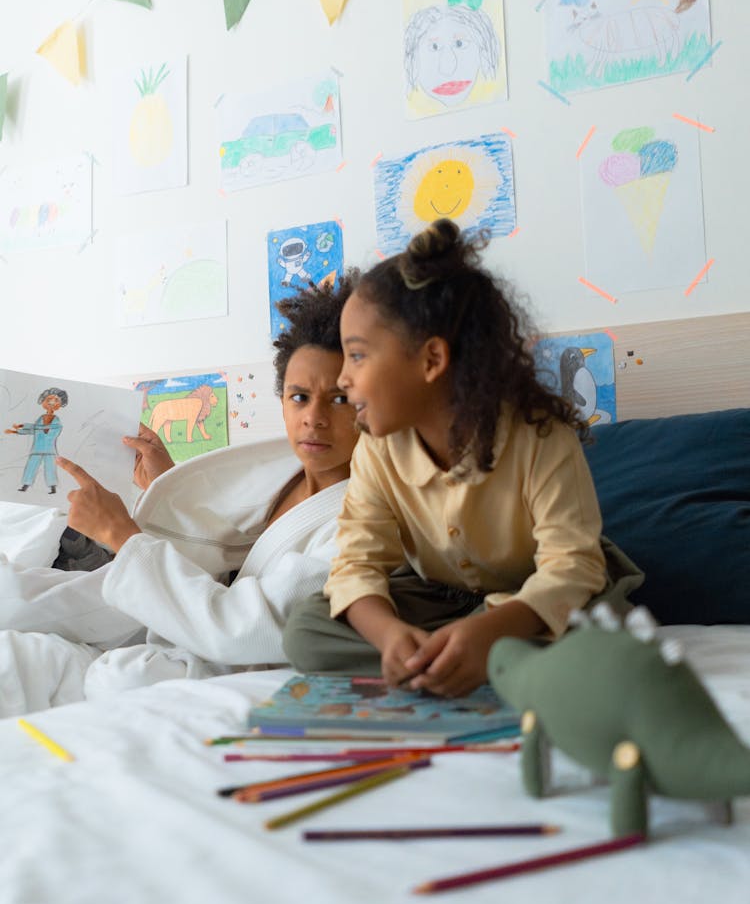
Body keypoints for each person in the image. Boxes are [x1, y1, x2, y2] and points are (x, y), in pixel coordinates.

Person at [283, 220, 642, 697]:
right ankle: (455, 659)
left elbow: (571, 567)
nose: (344, 380)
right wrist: (390, 636)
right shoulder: (376, 448)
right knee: (306, 631)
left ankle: (471, 653)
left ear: (431, 360)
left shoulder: (540, 436)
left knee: (602, 626)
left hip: (540, 592)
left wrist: (489, 629)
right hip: (438, 597)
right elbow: (356, 562)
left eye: (357, 356)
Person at [0, 278, 359, 715]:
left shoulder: (364, 520)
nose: (314, 419)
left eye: (340, 399)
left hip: (210, 653)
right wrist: (166, 484)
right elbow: (228, 554)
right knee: (17, 612)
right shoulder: (282, 469)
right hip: (165, 611)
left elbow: (248, 628)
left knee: (50, 666)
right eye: (299, 397)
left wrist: (122, 535)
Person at [5, 387, 69, 495]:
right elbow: (34, 429)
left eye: (56, 401)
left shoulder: (57, 421)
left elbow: (43, 428)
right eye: (49, 400)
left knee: (50, 468)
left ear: (60, 404)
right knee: (31, 466)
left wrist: (29, 427)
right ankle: (25, 485)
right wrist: (16, 430)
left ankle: (53, 487)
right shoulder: (40, 418)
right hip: (37, 449)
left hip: (49, 450)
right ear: (43, 401)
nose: (52, 403)